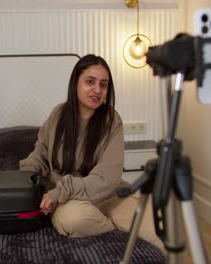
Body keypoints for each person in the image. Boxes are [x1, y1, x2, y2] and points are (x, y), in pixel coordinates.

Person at [20, 54, 162, 248]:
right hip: (69, 199)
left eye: (103, 85)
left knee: (159, 233)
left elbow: (107, 176)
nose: (97, 90)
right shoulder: (59, 115)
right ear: (75, 83)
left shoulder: (112, 121)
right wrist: (22, 182)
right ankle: (110, 227)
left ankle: (103, 221)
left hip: (107, 195)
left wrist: (60, 192)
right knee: (71, 219)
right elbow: (41, 154)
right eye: (90, 82)